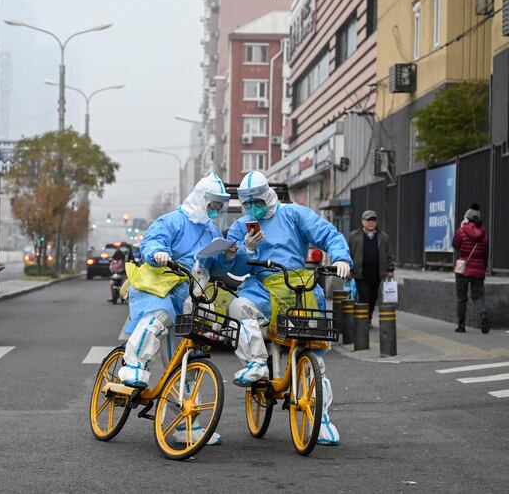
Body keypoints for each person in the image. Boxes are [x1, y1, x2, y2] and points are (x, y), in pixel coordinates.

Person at [226, 170, 352, 446]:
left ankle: (322, 420)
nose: (252, 208)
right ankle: (256, 363)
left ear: (268, 195)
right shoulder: (242, 225)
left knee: (314, 360)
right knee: (239, 307)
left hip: (297, 286)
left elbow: (327, 233)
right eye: (247, 204)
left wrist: (341, 257)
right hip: (260, 287)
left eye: (256, 201)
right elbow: (232, 267)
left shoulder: (294, 214)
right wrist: (245, 250)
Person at [117, 173, 236, 445]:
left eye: (220, 205)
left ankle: (184, 424)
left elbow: (214, 268)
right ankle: (133, 365)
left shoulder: (212, 231)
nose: (216, 209)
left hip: (189, 297)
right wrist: (158, 253)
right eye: (213, 203)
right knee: (158, 318)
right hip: (158, 287)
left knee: (183, 363)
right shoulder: (172, 221)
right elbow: (152, 242)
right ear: (200, 199)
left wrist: (228, 257)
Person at [347, 210, 395, 326]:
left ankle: (367, 317)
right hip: (360, 272)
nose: (371, 223)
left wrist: (390, 269)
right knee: (364, 296)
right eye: (368, 220)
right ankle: (364, 321)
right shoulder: (354, 236)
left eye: (373, 220)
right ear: (363, 222)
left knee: (373, 297)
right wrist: (348, 268)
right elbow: (348, 253)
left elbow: (389, 254)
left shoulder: (383, 237)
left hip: (377, 272)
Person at [452, 203, 490, 333]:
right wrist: (483, 269)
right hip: (478, 269)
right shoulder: (484, 235)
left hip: (463, 269)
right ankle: (483, 314)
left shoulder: (462, 231)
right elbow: (485, 255)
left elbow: (455, 244)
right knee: (478, 296)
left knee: (461, 298)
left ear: (467, 219)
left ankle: (461, 326)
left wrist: (461, 227)